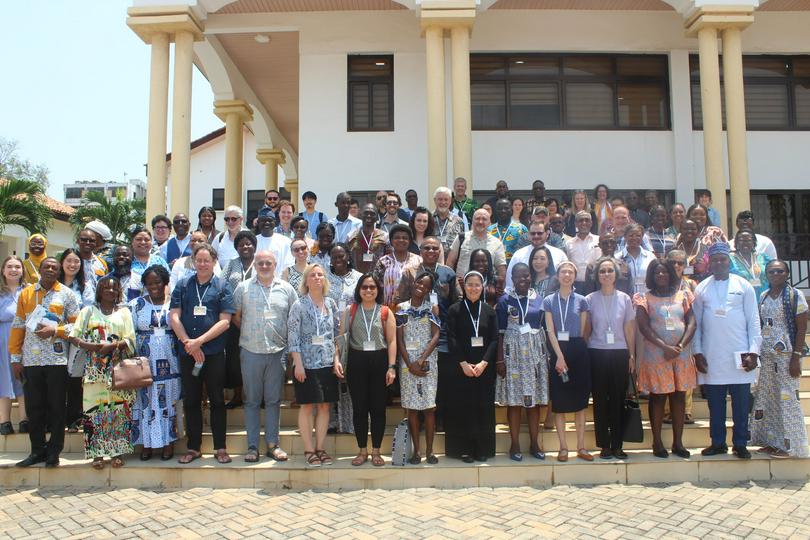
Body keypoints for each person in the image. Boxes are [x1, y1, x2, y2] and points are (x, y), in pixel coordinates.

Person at [694, 242, 761, 459]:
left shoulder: (744, 286)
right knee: (716, 405)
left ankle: (740, 443)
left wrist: (753, 351)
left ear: (729, 261)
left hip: (740, 355)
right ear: (709, 263)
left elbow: (754, 321)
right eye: (715, 260)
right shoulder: (701, 288)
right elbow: (696, 324)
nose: (719, 263)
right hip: (711, 355)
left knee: (741, 404)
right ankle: (718, 443)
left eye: (723, 259)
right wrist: (697, 352)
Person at [11, 257, 80, 468]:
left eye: (54, 267)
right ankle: (37, 450)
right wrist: (15, 358)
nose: (50, 269)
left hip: (57, 360)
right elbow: (18, 325)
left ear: (59, 271)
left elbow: (76, 327)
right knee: (35, 408)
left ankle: (54, 451)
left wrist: (56, 330)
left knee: (57, 407)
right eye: (46, 267)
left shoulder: (67, 295)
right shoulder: (27, 293)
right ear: (39, 270)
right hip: (31, 360)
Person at [170, 243, 235, 465]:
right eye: (199, 260)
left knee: (217, 399)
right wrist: (189, 343)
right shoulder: (183, 285)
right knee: (192, 400)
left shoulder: (222, 286)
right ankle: (193, 447)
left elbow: (225, 322)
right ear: (193, 262)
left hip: (214, 352)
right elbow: (174, 316)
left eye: (207, 260)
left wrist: (199, 342)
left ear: (214, 262)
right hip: (187, 351)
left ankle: (220, 447)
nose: (203, 264)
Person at [233, 250, 298, 462]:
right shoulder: (243, 288)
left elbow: (293, 318)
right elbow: (236, 316)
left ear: (275, 264)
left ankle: (273, 444)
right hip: (251, 351)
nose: (264, 266)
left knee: (273, 400)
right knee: (251, 401)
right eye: (260, 263)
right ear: (254, 263)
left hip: (277, 352)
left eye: (268, 263)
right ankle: (252, 447)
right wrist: (252, 332)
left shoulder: (287, 289)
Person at [68, 277, 136, 469]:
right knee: (94, 411)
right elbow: (74, 336)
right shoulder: (87, 311)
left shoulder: (124, 313)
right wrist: (91, 346)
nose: (110, 291)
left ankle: (117, 451)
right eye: (105, 287)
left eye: (114, 288)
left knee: (118, 410)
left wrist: (113, 346)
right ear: (99, 290)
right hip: (94, 368)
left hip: (117, 367)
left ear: (118, 292)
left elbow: (131, 340)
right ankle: (97, 453)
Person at [635, 259, 696, 459]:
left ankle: (678, 443)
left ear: (671, 273)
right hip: (656, 355)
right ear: (651, 276)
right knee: (658, 397)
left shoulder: (684, 295)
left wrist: (678, 346)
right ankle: (657, 442)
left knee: (679, 396)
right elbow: (644, 327)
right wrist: (665, 346)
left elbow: (691, 323)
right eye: (657, 273)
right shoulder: (644, 298)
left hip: (681, 354)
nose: (661, 276)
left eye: (665, 272)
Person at [750, 260, 808, 458]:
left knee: (787, 399)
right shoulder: (764, 296)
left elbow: (802, 328)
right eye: (771, 271)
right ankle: (772, 441)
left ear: (786, 274)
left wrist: (796, 357)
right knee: (769, 399)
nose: (775, 274)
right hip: (767, 356)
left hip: (787, 357)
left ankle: (792, 447)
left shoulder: (794, 296)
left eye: (779, 271)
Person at [337, 273, 397, 466]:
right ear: (359, 290)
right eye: (365, 287)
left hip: (379, 361)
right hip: (357, 362)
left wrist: (392, 367)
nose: (369, 290)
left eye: (372, 287)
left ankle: (377, 451)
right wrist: (337, 359)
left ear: (378, 290)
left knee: (378, 409)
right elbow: (341, 339)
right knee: (360, 409)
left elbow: (392, 341)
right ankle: (362, 450)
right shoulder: (350, 310)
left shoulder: (385, 311)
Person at [288, 263, 341, 467]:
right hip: (306, 364)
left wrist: (336, 361)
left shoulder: (331, 304)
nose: (317, 278)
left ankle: (320, 448)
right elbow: (292, 337)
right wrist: (298, 364)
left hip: (327, 363)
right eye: (313, 275)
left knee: (325, 407)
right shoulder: (298, 305)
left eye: (320, 275)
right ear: (306, 280)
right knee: (307, 406)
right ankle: (309, 450)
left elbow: (336, 336)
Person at [496, 263, 548, 461]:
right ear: (513, 279)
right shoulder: (504, 301)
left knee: (533, 403)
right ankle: (515, 444)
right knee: (514, 402)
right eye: (519, 277)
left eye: (526, 276)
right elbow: (500, 333)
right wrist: (500, 359)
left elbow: (543, 327)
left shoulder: (539, 300)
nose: (523, 280)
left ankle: (535, 444)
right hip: (513, 355)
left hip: (534, 355)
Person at [445, 271, 499, 462]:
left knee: (483, 408)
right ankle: (464, 450)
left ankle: (483, 449)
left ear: (482, 287)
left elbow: (494, 339)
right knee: (463, 408)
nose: (474, 288)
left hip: (484, 368)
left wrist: (484, 362)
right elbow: (451, 337)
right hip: (461, 368)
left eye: (477, 284)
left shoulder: (490, 311)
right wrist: (463, 364)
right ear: (464, 287)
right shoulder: (454, 310)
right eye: (470, 284)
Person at [128, 265, 180, 462]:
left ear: (165, 282)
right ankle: (147, 444)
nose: (154, 286)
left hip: (170, 361)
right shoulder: (136, 304)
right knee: (146, 402)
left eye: (157, 282)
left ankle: (168, 442)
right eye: (149, 283)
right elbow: (130, 332)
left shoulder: (174, 303)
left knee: (168, 400)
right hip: (145, 361)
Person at [585, 257, 635, 460]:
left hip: (619, 353)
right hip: (597, 352)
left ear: (616, 275)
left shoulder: (625, 298)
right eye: (602, 271)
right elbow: (586, 330)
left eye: (609, 271)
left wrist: (631, 355)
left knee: (617, 399)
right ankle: (604, 445)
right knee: (600, 400)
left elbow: (629, 329)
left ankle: (618, 444)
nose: (606, 274)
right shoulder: (589, 299)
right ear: (597, 276)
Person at [544, 261, 592, 462]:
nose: (567, 275)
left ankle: (581, 446)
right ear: (558, 275)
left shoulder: (581, 300)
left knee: (580, 402)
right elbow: (550, 330)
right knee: (560, 401)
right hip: (557, 352)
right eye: (563, 272)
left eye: (570, 272)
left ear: (574, 275)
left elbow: (582, 330)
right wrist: (560, 357)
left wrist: (572, 351)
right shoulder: (548, 300)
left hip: (577, 350)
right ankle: (563, 447)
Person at [396, 271, 441, 464]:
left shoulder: (432, 308)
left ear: (429, 290)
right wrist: (409, 364)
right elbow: (398, 339)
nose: (420, 287)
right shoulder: (401, 308)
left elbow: (436, 336)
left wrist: (421, 361)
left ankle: (430, 451)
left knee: (429, 408)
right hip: (407, 365)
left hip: (427, 363)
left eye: (425, 285)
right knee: (412, 409)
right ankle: (416, 452)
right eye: (418, 283)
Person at [325, 243, 362, 434]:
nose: (338, 260)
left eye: (341, 256)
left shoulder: (358, 278)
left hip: (352, 334)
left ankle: (349, 423)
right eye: (334, 257)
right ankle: (331, 421)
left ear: (348, 256)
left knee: (349, 379)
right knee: (330, 379)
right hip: (327, 334)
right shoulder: (324, 278)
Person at [221, 230, 259, 410]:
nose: (245, 246)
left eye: (248, 243)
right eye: (241, 244)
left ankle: (259, 396)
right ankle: (237, 395)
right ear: (236, 247)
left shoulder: (261, 263)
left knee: (257, 359)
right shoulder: (231, 264)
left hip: (256, 318)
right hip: (233, 318)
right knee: (235, 358)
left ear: (254, 245)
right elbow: (222, 286)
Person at [663, 249, 697, 425]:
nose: (676, 266)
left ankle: (686, 411)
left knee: (683, 375)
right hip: (665, 339)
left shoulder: (691, 285)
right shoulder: (661, 282)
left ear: (685, 265)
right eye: (673, 262)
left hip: (686, 337)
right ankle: (668, 411)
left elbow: (695, 313)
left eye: (680, 263)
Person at [0, 256, 26, 436]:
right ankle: (4, 421)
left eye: (17, 266)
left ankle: (25, 419)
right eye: (9, 266)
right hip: (2, 338)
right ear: (3, 270)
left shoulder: (29, 291)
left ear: (23, 271)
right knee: (3, 378)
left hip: (25, 339)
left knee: (23, 378)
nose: (13, 270)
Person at [446, 208, 507, 284]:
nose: (480, 222)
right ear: (472, 221)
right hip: (461, 288)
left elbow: (501, 270)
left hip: (487, 289)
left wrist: (498, 288)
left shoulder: (497, 243)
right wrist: (454, 284)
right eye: (477, 219)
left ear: (489, 223)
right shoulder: (461, 238)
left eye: (484, 219)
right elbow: (450, 262)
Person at [506, 222, 567, 290]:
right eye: (533, 233)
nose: (536, 236)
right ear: (528, 234)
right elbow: (509, 282)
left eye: (539, 233)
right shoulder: (518, 255)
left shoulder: (559, 254)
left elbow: (566, 278)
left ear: (547, 233)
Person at [374, 224, 421, 307]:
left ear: (410, 241)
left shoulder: (418, 261)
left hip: (411, 310)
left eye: (405, 238)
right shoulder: (383, 261)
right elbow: (377, 287)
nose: (401, 240)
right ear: (391, 241)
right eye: (397, 237)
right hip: (387, 309)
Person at [347, 203, 389, 274]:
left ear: (376, 217)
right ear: (360, 214)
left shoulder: (384, 236)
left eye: (372, 214)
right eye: (366, 213)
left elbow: (389, 260)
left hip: (378, 279)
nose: (369, 216)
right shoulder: (351, 236)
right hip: (356, 279)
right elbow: (347, 259)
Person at [565, 211, 600, 292]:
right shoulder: (569, 243)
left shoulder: (598, 240)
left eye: (587, 220)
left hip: (595, 284)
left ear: (591, 223)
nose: (584, 223)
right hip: (576, 285)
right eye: (581, 220)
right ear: (576, 224)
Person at [730, 229, 770, 299]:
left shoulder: (762, 257)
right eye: (741, 240)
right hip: (741, 298)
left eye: (748, 240)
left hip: (763, 297)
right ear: (736, 242)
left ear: (753, 242)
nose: (745, 243)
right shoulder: (730, 259)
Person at [619, 223, 656, 296]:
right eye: (631, 235)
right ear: (625, 237)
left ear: (642, 237)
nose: (634, 238)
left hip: (647, 300)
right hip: (626, 300)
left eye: (638, 235)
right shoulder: (617, 258)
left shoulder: (651, 257)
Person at [131, 227, 170, 297]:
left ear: (151, 242)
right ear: (132, 242)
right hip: (131, 303)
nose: (143, 242)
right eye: (139, 239)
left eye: (147, 240)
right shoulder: (127, 261)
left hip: (157, 304)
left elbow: (168, 283)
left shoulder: (159, 261)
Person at [255, 207, 293, 275]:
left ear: (275, 222)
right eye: (263, 220)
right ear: (258, 223)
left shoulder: (286, 241)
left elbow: (288, 265)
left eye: (270, 220)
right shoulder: (253, 242)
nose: (267, 223)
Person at [489, 198, 528, 263]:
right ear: (495, 211)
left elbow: (527, 251)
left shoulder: (521, 228)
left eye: (506, 208)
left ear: (511, 210)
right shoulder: (489, 230)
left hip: (515, 268)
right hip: (494, 268)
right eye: (500, 209)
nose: (503, 211)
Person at [432, 186, 465, 255]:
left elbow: (462, 244)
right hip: (431, 260)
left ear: (450, 201)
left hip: (452, 262)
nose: (443, 202)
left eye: (446, 199)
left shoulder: (458, 221)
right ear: (435, 200)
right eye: (440, 199)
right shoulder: (428, 219)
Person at [77, 228, 108, 295]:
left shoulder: (102, 263)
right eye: (84, 240)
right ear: (77, 241)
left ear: (95, 243)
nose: (88, 243)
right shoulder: (71, 261)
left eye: (91, 241)